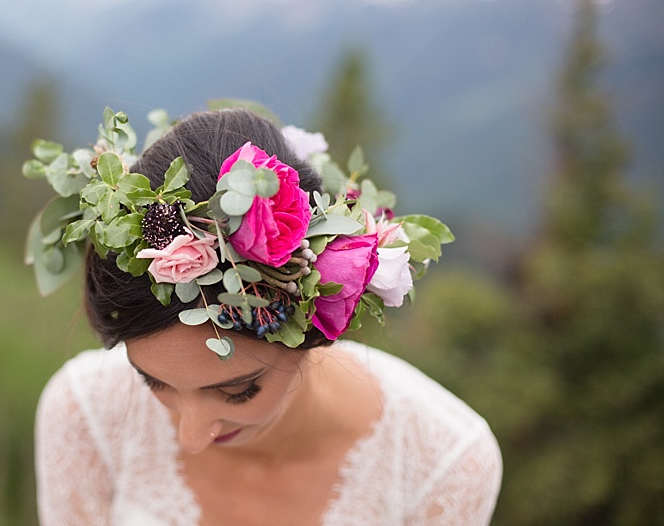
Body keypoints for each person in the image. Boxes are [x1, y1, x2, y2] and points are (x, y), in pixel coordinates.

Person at [27, 107, 502, 525]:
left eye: (237, 390)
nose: (192, 436)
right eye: (152, 381)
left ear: (314, 331)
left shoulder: (445, 462)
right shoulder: (83, 412)